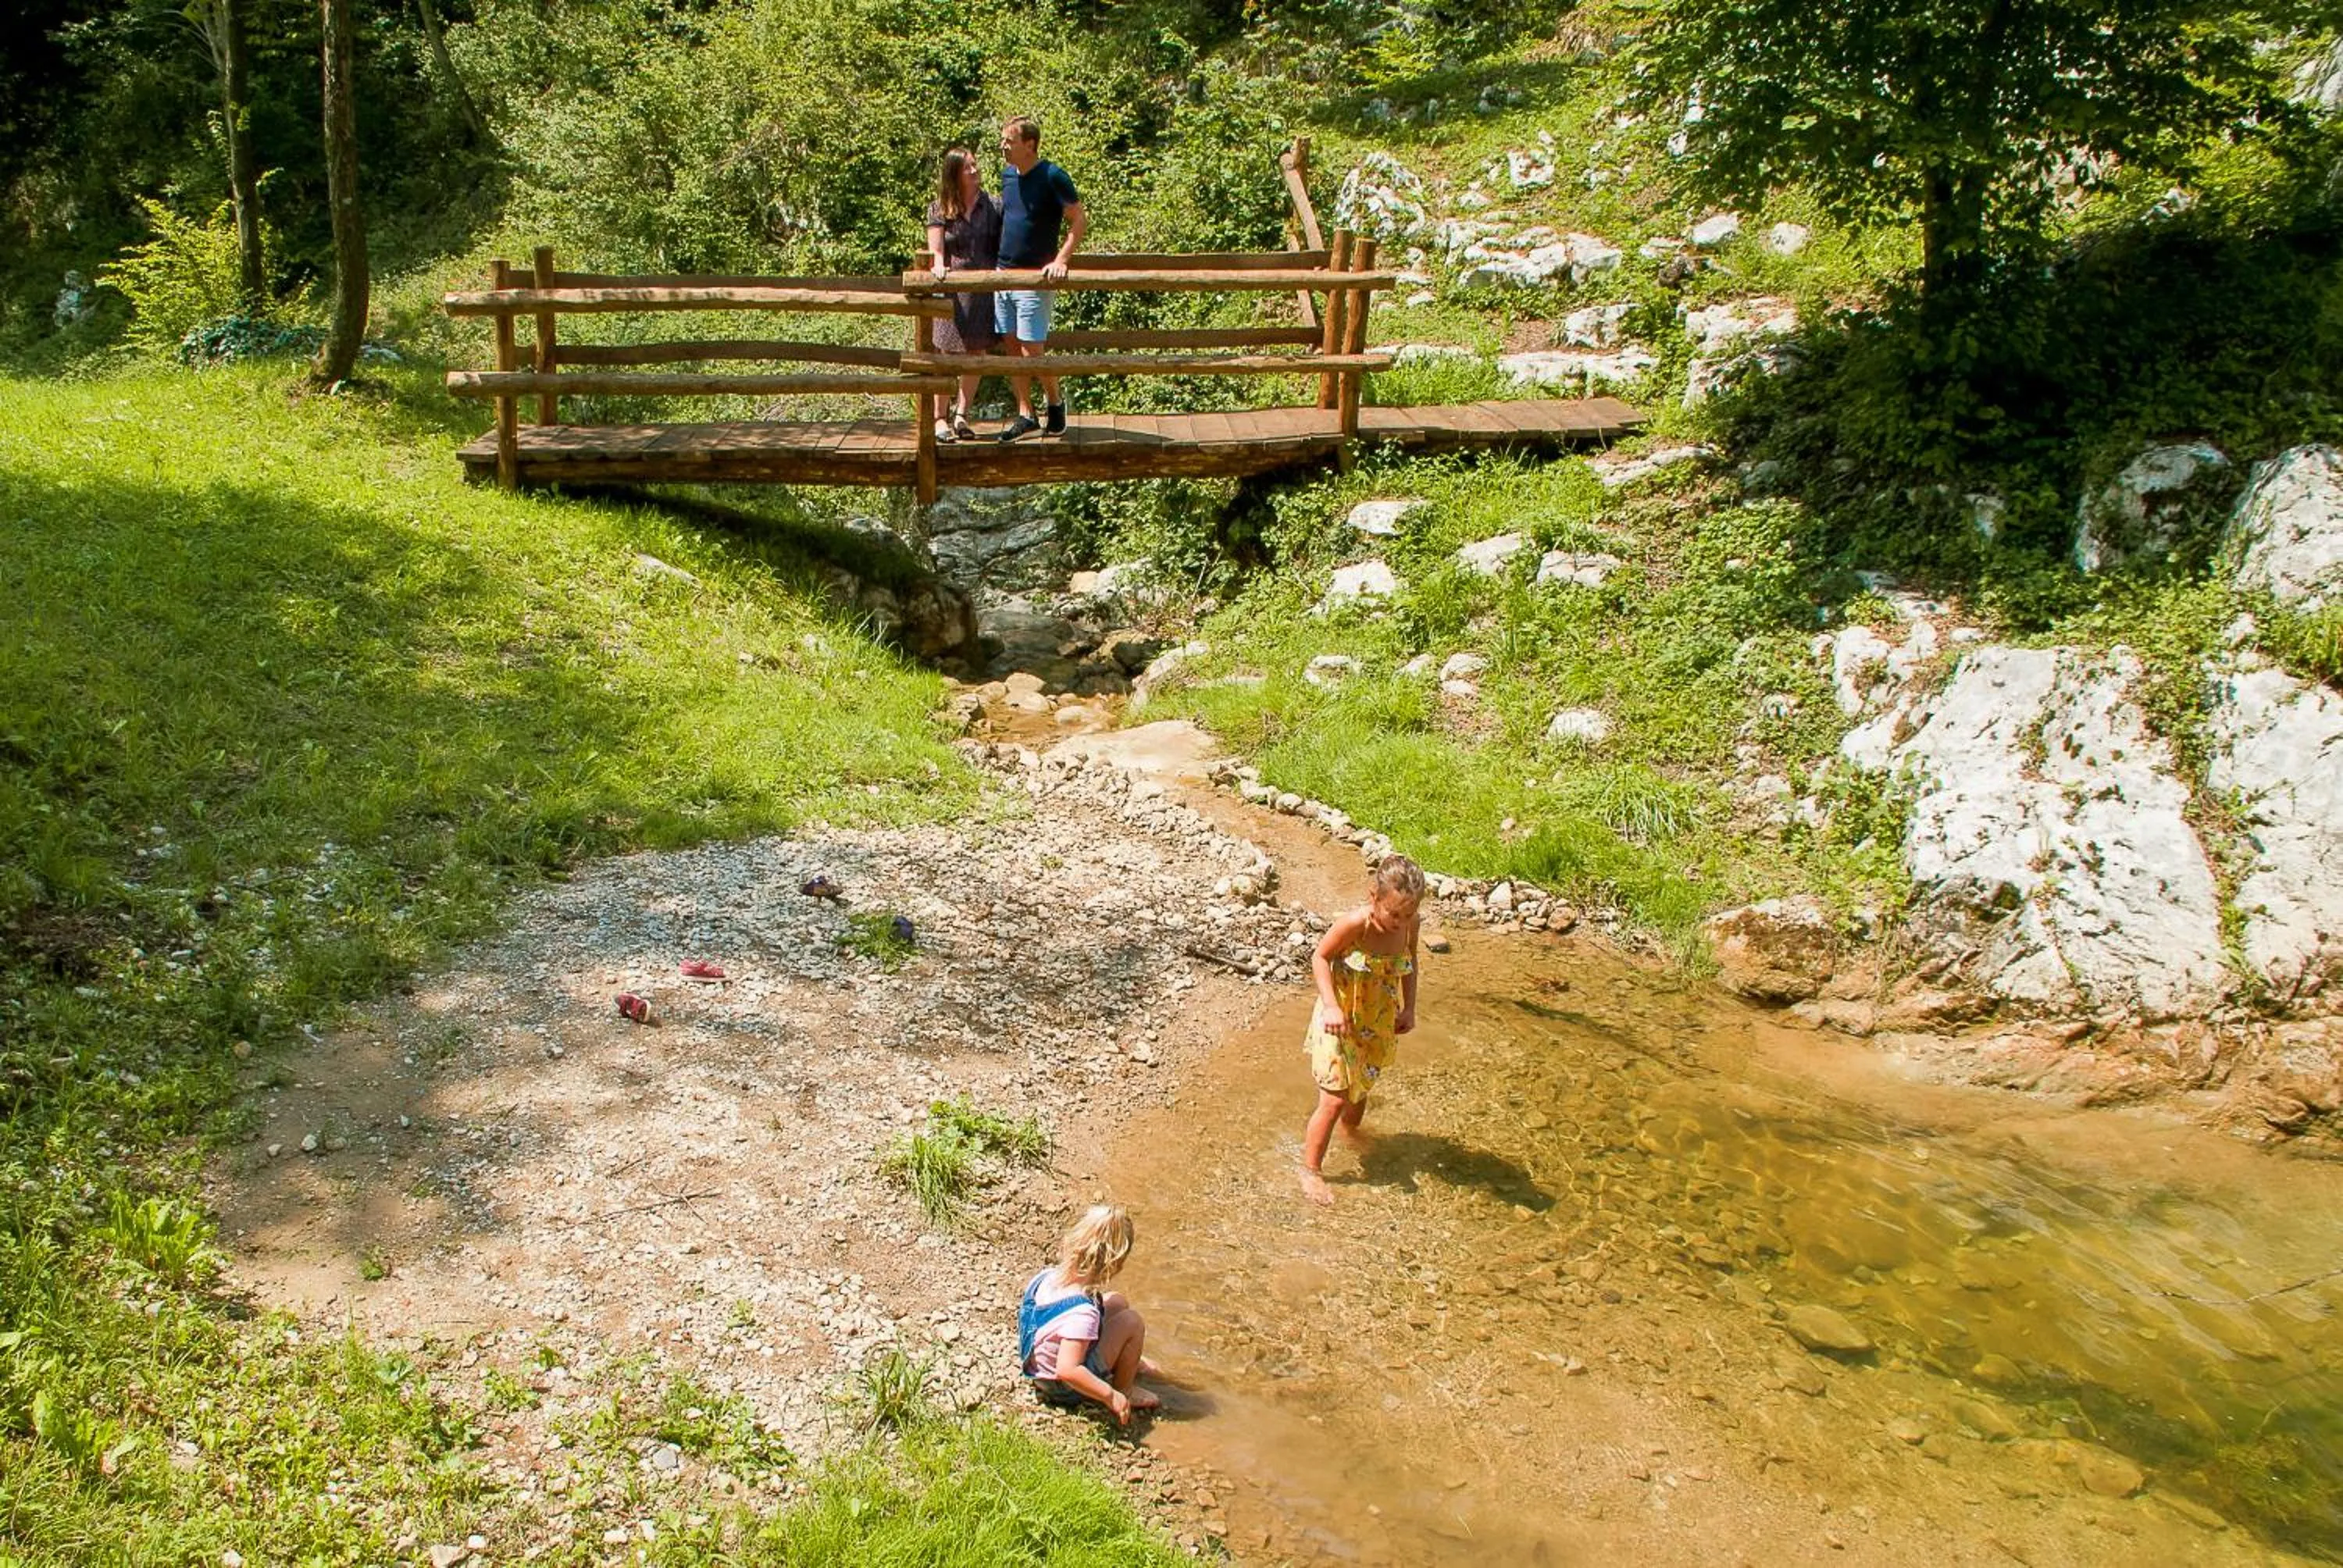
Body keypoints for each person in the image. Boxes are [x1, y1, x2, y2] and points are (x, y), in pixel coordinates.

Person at [1297, 855, 1425, 1207]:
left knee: (1361, 1086)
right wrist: (1330, 1005)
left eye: (1407, 915)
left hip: (1375, 1018)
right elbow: (1319, 958)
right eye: (1393, 914)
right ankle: (1310, 1169)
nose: (1399, 923)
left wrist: (1410, 1007)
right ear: (1374, 898)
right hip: (1338, 1016)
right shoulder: (1356, 925)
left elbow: (1411, 963)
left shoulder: (1410, 926)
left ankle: (1350, 1133)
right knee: (1335, 1096)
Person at [1018, 1203, 1160, 1423]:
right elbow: (1067, 1370)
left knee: (1117, 1301)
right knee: (1132, 1323)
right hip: (1060, 1385)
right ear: (1114, 1265)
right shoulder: (1082, 1315)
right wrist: (1110, 1395)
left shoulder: (1045, 1278)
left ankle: (1128, 1360)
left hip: (1036, 1360)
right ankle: (1126, 1389)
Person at [992, 115, 1085, 443]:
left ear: (1029, 145)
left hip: (1034, 278)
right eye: (1003, 140)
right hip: (1002, 275)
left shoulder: (1052, 176)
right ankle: (1025, 414)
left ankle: (1055, 402)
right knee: (1011, 345)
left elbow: (1078, 221)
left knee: (1033, 349)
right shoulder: (1007, 176)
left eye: (1009, 141)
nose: (1003, 146)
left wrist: (1061, 260)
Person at [924, 148, 1000, 443]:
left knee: (977, 353)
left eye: (975, 165)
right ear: (955, 173)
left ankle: (962, 415)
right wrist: (939, 265)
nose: (974, 171)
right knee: (946, 354)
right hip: (952, 291)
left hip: (982, 290)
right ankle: (939, 417)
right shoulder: (939, 208)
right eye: (967, 167)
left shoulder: (992, 205)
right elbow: (937, 249)